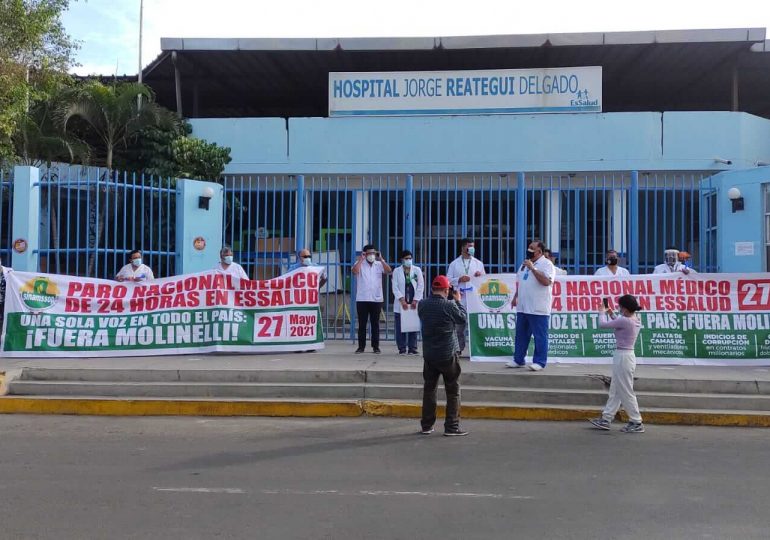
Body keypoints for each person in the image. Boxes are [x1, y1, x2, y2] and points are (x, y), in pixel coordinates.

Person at [417, 275, 468, 436]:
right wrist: (458, 301)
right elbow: (462, 319)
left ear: (432, 288)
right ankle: (452, 427)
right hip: (447, 353)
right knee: (453, 390)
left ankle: (427, 425)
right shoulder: (448, 305)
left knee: (429, 389)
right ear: (447, 290)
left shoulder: (422, 305)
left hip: (430, 354)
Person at [589, 294, 645, 433]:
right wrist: (611, 313)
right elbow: (619, 323)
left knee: (625, 390)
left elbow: (602, 324)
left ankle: (636, 421)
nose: (619, 309)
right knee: (615, 389)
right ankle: (606, 418)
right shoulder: (633, 319)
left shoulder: (626, 321)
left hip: (623, 357)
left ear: (625, 308)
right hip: (625, 356)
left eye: (620, 307)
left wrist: (601, 312)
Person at [506, 240, 556, 371]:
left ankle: (540, 362)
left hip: (538, 307)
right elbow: (521, 282)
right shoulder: (524, 264)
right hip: (523, 306)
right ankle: (518, 359)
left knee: (540, 336)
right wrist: (516, 297)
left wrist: (533, 268)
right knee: (521, 335)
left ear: (539, 251)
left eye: (532, 248)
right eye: (529, 247)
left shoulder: (547, 264)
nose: (529, 249)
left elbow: (546, 282)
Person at [447, 238, 485, 355]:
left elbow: (484, 281)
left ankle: (477, 350)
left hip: (474, 298)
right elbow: (448, 280)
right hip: (460, 297)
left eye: (473, 246)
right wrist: (459, 279)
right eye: (469, 246)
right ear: (463, 247)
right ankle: (458, 349)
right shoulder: (454, 264)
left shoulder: (478, 263)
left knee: (476, 325)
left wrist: (480, 275)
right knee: (459, 326)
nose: (472, 248)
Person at [352, 244, 392, 354]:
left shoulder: (379, 264)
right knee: (362, 324)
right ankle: (361, 347)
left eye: (373, 253)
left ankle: (376, 346)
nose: (372, 255)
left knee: (375, 324)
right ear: (364, 254)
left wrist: (382, 260)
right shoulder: (359, 264)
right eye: (369, 253)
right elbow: (354, 271)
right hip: (362, 299)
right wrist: (361, 259)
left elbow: (389, 271)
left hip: (376, 299)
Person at [391, 250, 425, 355]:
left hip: (413, 302)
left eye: (410, 258)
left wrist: (415, 300)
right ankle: (402, 348)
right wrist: (401, 300)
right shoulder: (396, 271)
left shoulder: (417, 270)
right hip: (401, 303)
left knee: (413, 325)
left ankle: (412, 348)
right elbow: (395, 287)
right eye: (406, 258)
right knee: (400, 326)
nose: (408, 260)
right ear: (402, 260)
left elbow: (420, 285)